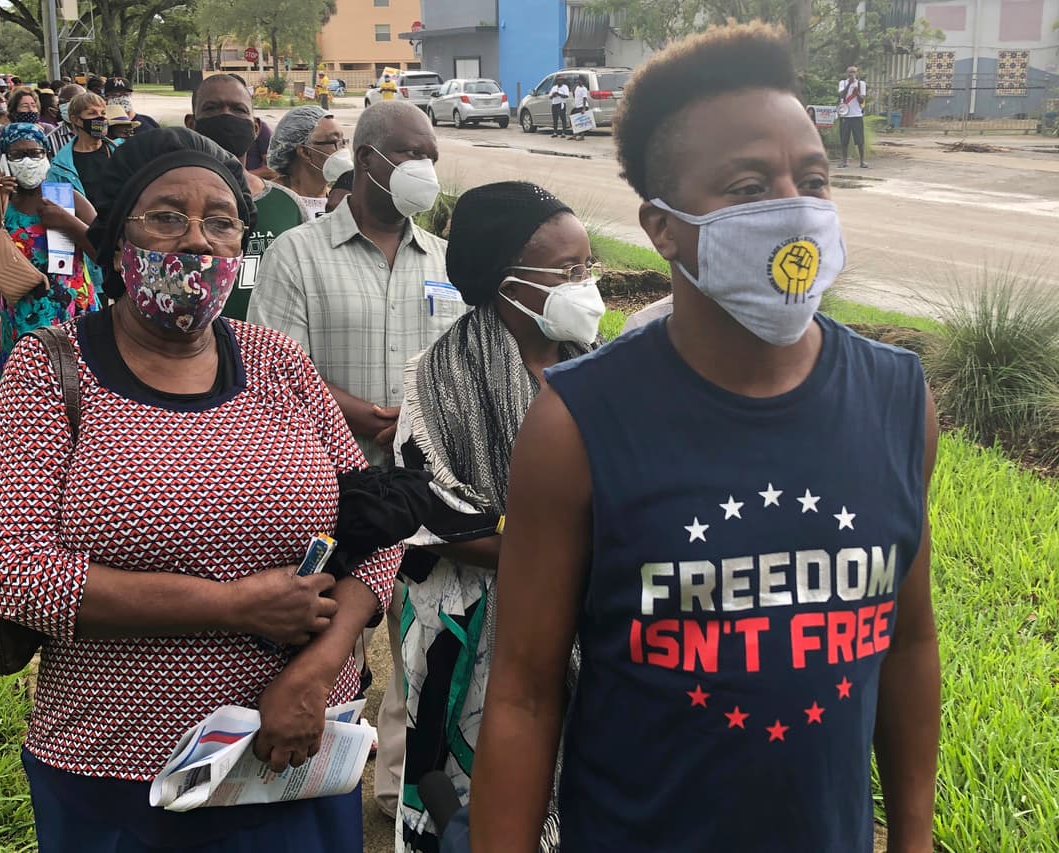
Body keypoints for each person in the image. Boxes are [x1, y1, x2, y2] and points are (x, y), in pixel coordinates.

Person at [470, 21, 939, 853]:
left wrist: (912, 837)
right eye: (749, 186)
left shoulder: (899, 401)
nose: (794, 209)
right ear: (663, 227)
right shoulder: (577, 426)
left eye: (813, 179)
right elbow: (525, 694)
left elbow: (907, 641)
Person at [0, 126, 403, 853]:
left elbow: (377, 520)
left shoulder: (278, 360)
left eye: (220, 222)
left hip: (292, 753)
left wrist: (316, 669)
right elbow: (10, 568)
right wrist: (234, 605)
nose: (197, 241)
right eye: (166, 217)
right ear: (117, 242)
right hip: (116, 768)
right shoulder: (52, 369)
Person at [249, 100, 462, 823]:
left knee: (424, 648)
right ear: (366, 160)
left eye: (431, 155)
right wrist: (359, 413)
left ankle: (397, 792)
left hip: (427, 492)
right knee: (330, 645)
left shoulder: (445, 260)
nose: (423, 168)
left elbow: (461, 363)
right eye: (410, 153)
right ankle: (307, 775)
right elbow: (276, 366)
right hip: (331, 495)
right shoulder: (298, 255)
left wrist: (426, 413)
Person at [393, 182, 602, 853]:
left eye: (589, 267)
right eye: (568, 271)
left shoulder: (604, 371)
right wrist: (568, 554)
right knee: (480, 802)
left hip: (595, 621)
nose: (586, 285)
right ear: (508, 283)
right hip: (477, 631)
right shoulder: (439, 379)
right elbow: (434, 511)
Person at [0, 123, 101, 378]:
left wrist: (67, 222)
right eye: (18, 155)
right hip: (22, 316)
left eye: (35, 153)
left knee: (77, 381)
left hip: (72, 311)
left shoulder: (67, 197)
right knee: (27, 384)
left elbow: (104, 252)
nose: (28, 161)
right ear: (4, 160)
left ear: (47, 156)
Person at [187, 73, 308, 321]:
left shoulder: (287, 205)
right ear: (191, 124)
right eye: (212, 108)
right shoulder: (171, 205)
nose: (226, 116)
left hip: (270, 342)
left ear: (255, 127)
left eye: (238, 109)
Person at [45, 91, 120, 295]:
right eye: (92, 113)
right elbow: (57, 218)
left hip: (119, 244)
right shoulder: (60, 168)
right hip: (86, 252)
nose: (100, 118)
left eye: (103, 113)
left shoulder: (119, 154)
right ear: (76, 120)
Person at [267, 105, 346, 218]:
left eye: (343, 141)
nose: (343, 149)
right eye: (334, 141)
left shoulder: (342, 202)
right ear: (305, 152)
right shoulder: (267, 201)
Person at [838, 65, 868, 168]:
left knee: (860, 140)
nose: (852, 74)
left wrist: (857, 93)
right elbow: (841, 95)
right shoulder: (843, 83)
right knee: (844, 139)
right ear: (847, 73)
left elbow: (861, 100)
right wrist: (849, 85)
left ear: (857, 73)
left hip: (856, 115)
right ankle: (844, 161)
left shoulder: (861, 84)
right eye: (850, 72)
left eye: (854, 72)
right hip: (845, 115)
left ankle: (862, 161)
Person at [44, 82, 83, 157]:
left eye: (74, 101)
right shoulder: (50, 140)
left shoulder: (97, 130)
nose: (68, 105)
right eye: (63, 102)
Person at [569, 77, 591, 141]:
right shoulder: (577, 88)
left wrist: (583, 109)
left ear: (582, 81)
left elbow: (584, 98)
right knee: (574, 120)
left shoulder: (584, 89)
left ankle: (582, 136)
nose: (578, 81)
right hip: (577, 106)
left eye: (579, 80)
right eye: (577, 80)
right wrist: (573, 89)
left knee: (581, 122)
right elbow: (574, 96)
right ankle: (575, 135)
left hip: (582, 106)